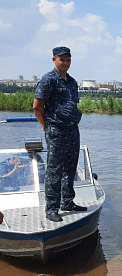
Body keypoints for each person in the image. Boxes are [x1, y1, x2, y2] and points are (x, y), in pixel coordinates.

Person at [33, 46, 87, 222]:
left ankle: (68, 201)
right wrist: (45, 126)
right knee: (55, 170)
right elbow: (37, 106)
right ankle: (52, 208)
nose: (65, 63)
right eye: (62, 59)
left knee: (70, 167)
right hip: (56, 130)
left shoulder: (72, 82)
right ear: (54, 59)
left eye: (68, 60)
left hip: (72, 130)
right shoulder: (49, 80)